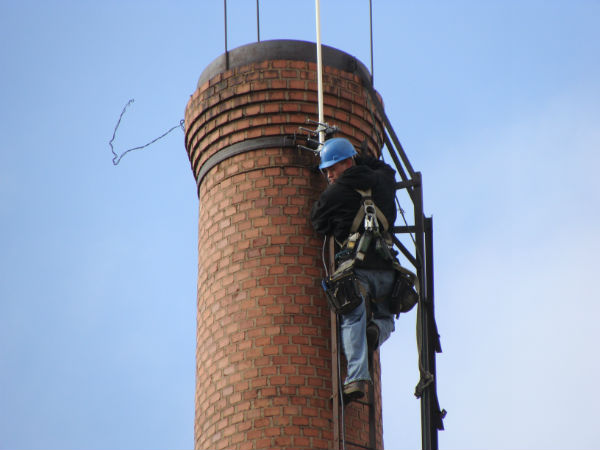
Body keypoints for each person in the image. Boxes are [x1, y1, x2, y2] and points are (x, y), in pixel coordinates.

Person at [310, 137, 400, 401]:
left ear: (347, 162)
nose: (329, 175)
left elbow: (317, 222)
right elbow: (388, 170)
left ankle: (357, 378)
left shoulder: (334, 194)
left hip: (356, 271)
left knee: (352, 320)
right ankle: (376, 332)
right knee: (385, 320)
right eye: (326, 171)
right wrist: (362, 159)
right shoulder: (383, 181)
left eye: (332, 168)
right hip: (386, 270)